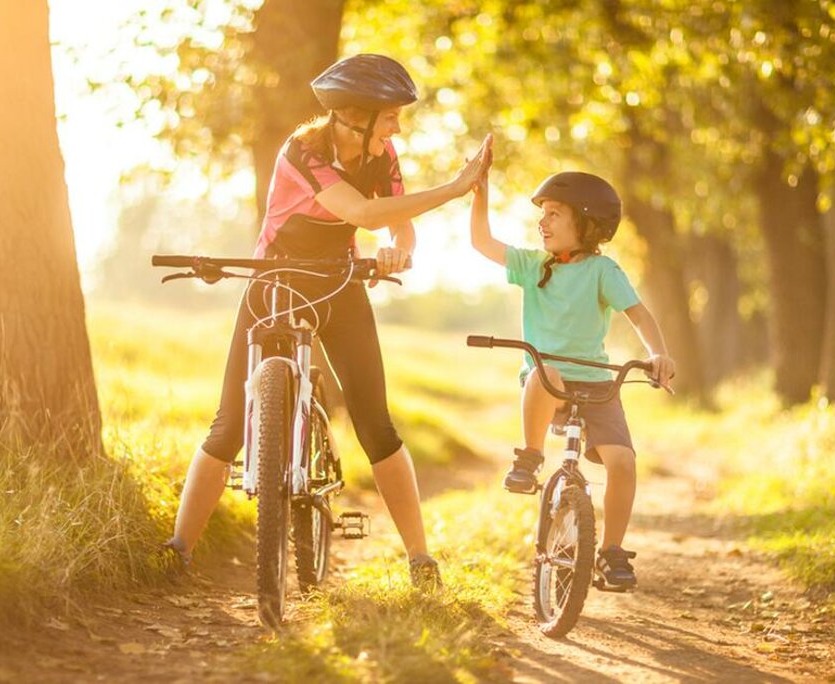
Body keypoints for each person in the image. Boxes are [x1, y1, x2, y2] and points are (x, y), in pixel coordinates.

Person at [165, 54, 492, 586]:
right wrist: (454, 189)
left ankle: (420, 558)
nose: (397, 128)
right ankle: (177, 550)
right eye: (390, 117)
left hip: (339, 285)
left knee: (376, 426)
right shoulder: (304, 151)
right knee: (228, 426)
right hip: (275, 281)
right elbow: (361, 213)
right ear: (356, 117)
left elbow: (397, 222)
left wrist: (399, 250)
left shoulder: (383, 156)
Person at [468, 167, 674, 589]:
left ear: (585, 222)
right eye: (542, 213)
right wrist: (480, 193)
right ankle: (529, 458)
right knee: (546, 369)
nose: (542, 222)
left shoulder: (603, 271)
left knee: (623, 463)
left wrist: (658, 353)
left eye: (554, 214)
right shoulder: (532, 265)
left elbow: (638, 315)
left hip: (597, 385)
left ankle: (611, 552)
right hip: (549, 385)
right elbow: (482, 242)